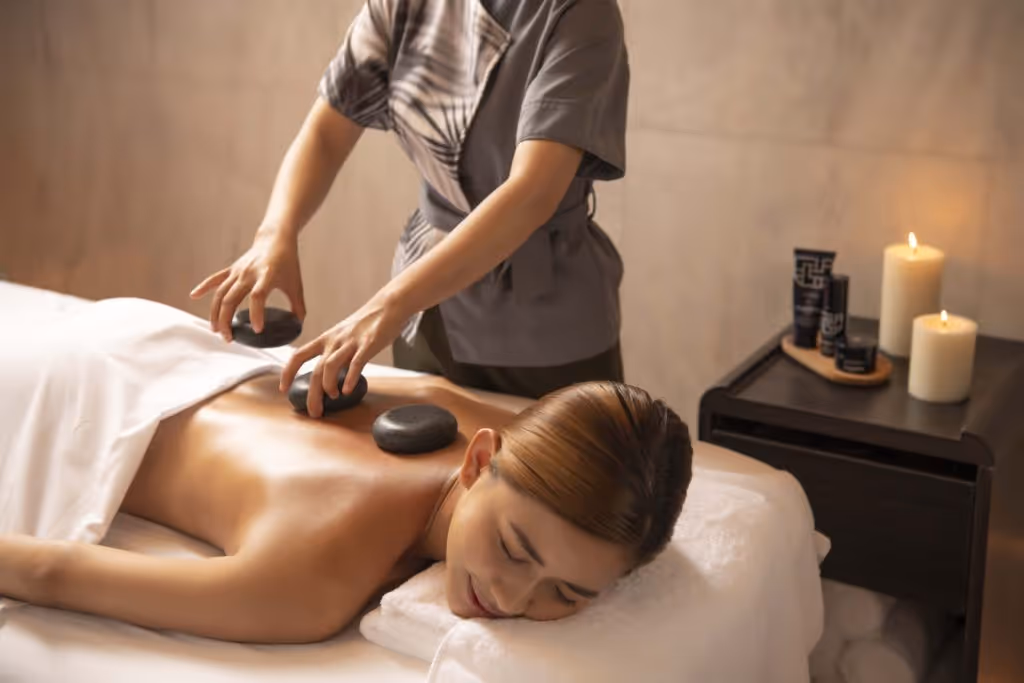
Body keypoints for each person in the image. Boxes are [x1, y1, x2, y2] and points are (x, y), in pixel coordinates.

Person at [0, 361, 692, 643]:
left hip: (167, 350)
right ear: (481, 460)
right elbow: (50, 573)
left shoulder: (477, 421)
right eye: (516, 550)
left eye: (566, 594)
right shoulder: (316, 576)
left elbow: (613, 443)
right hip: (59, 398)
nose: (512, 598)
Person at [190, 0, 630, 415]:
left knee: (562, 488)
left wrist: (385, 309)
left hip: (544, 326)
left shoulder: (579, 12)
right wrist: (274, 235)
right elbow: (327, 130)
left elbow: (531, 193)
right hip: (426, 313)